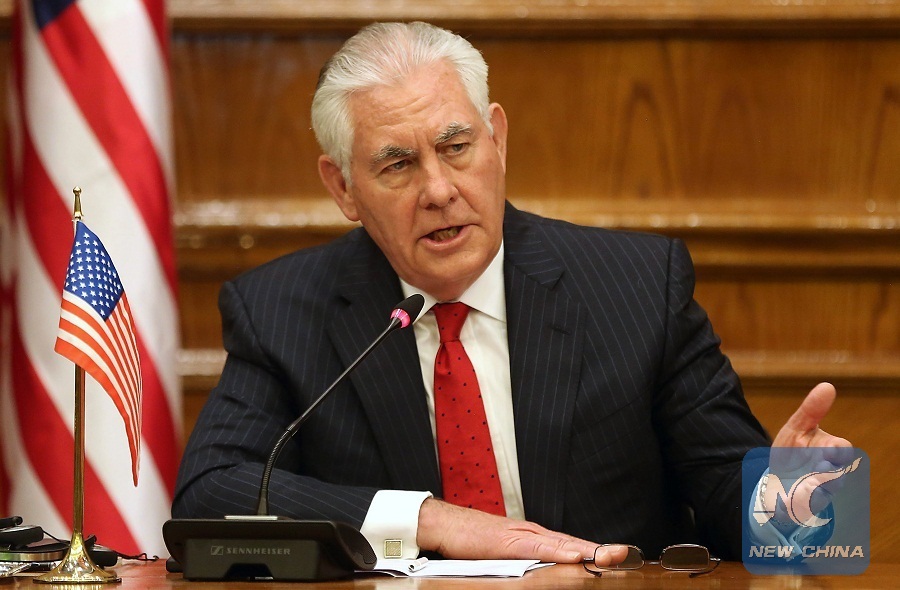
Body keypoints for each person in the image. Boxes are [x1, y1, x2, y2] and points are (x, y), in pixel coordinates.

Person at [172, 21, 850, 566]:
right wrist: (428, 519)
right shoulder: (282, 311)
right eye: (398, 164)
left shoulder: (637, 286)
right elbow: (209, 494)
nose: (439, 190)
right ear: (343, 187)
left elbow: (735, 499)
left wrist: (794, 499)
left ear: (496, 138)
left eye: (456, 147)